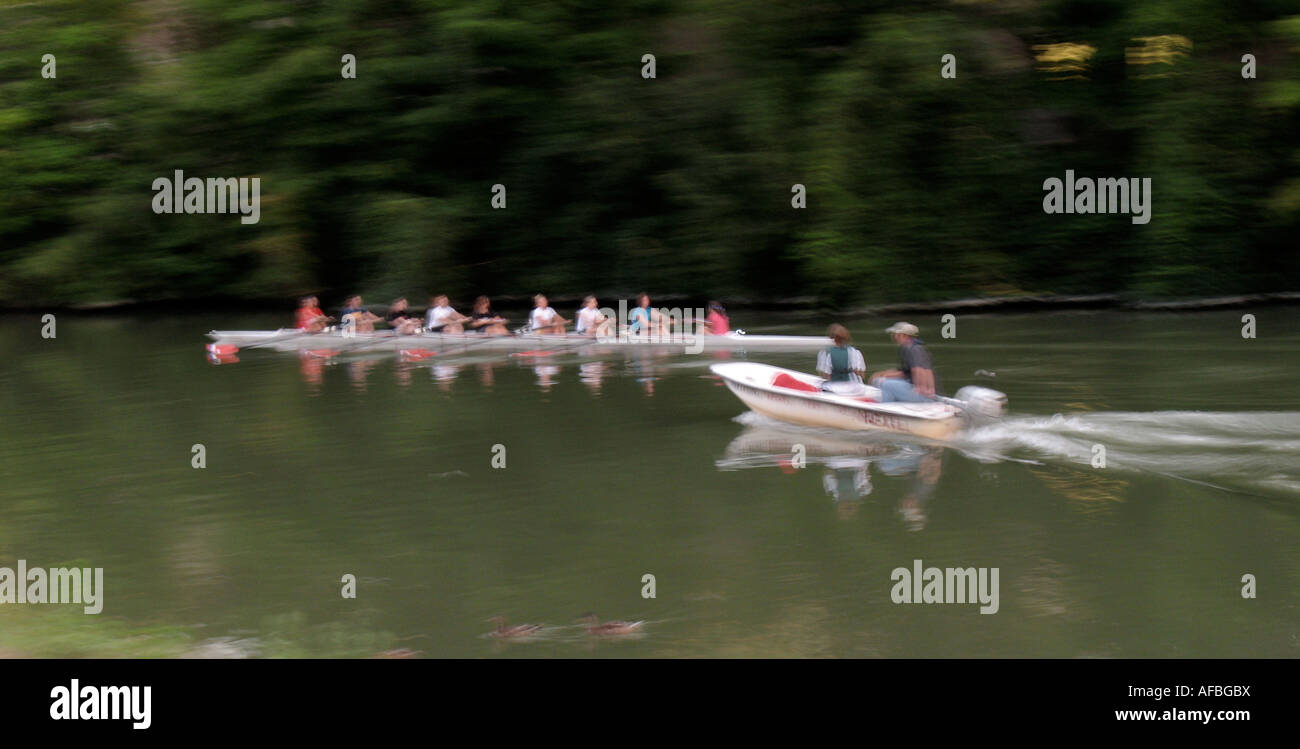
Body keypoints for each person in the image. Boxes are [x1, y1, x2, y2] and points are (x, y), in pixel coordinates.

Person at [869, 322, 936, 402]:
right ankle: (888, 405)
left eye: (896, 334)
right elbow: (905, 372)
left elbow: (918, 371)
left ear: (904, 335)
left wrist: (922, 390)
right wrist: (883, 374)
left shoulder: (913, 349)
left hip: (923, 395)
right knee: (883, 381)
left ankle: (886, 407)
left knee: (884, 384)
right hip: (918, 389)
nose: (894, 337)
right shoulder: (912, 347)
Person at [816, 324, 866, 395]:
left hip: (836, 388)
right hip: (855, 389)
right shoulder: (855, 352)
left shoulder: (826, 353)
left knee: (821, 385)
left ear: (833, 338)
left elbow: (825, 375)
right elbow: (861, 374)